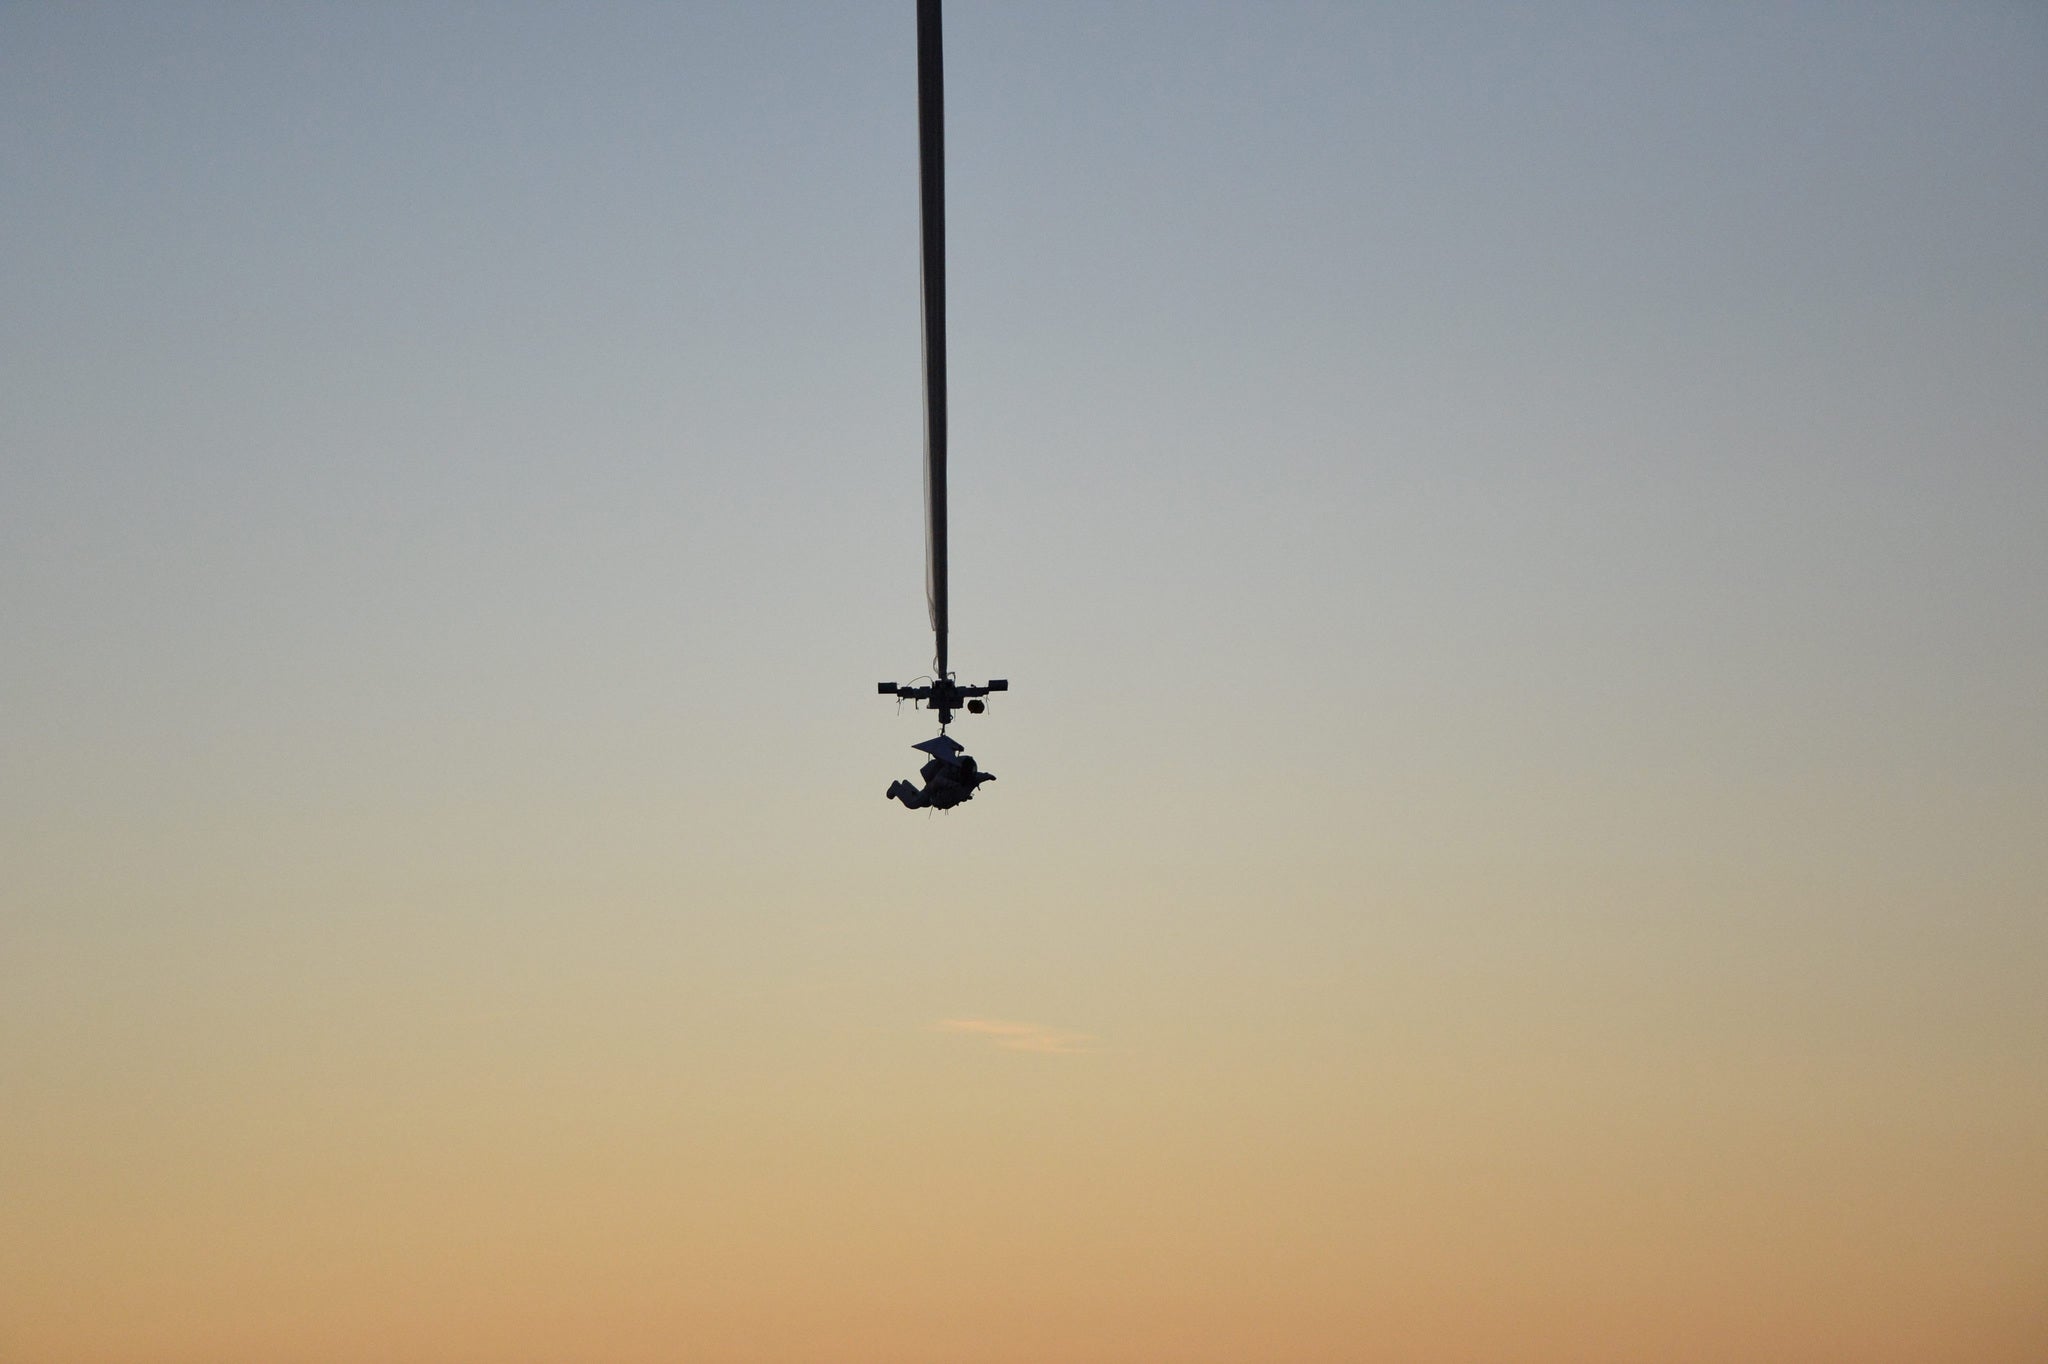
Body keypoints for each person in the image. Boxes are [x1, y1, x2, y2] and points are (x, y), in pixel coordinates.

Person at [886, 733, 996, 809]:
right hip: (932, 788)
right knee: (913, 804)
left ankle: (906, 786)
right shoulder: (950, 771)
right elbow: (938, 780)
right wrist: (952, 785)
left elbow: (978, 776)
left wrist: (988, 776)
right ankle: (896, 787)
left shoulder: (969, 776)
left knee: (925, 803)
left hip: (940, 794)